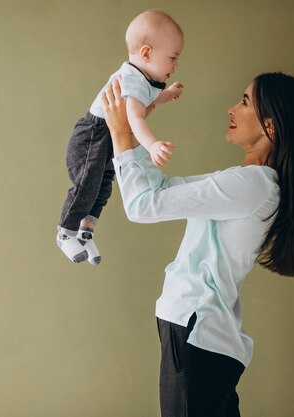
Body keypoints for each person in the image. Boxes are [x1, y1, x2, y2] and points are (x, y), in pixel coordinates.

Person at [101, 73, 294, 417]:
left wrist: (121, 133)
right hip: (203, 337)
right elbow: (159, 191)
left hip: (196, 333)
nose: (232, 109)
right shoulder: (249, 183)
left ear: (271, 125)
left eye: (244, 102)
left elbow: (142, 206)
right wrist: (136, 133)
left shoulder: (253, 185)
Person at [56, 10, 185, 265]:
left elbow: (149, 98)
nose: (175, 65)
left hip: (107, 136)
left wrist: (167, 94)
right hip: (94, 135)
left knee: (103, 185)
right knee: (87, 185)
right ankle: (65, 232)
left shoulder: (143, 78)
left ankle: (85, 231)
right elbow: (135, 119)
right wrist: (152, 145)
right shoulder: (131, 79)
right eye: (172, 57)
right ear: (147, 53)